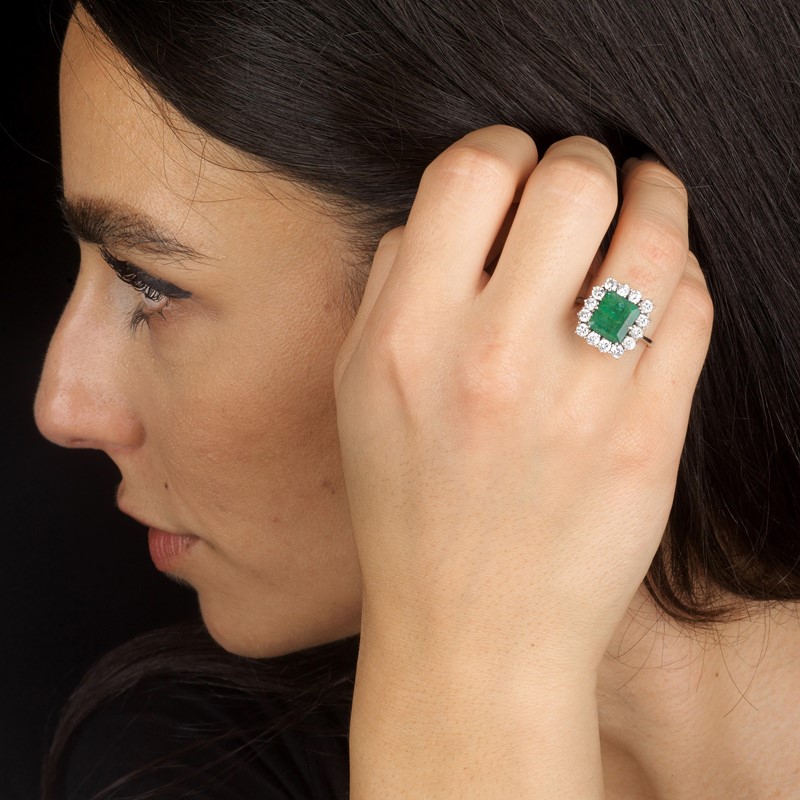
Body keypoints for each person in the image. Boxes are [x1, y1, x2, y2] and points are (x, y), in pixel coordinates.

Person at [35, 0, 800, 797]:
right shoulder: (187, 764)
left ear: (526, 260)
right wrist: (474, 669)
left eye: (151, 286)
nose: (62, 408)